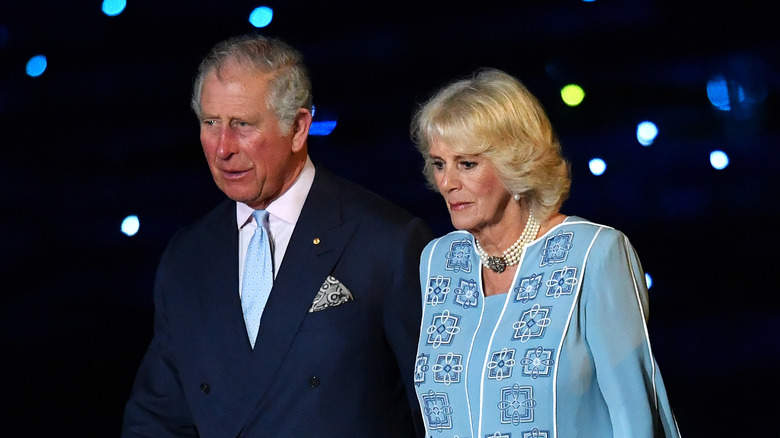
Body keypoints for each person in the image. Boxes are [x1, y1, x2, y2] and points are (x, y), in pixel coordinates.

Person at [122, 34, 432, 437]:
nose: (222, 148)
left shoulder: (388, 243)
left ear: (299, 128)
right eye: (210, 123)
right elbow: (158, 419)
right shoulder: (187, 256)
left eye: (242, 125)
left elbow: (436, 413)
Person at [410, 69, 680, 437]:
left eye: (467, 164)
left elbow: (634, 418)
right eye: (439, 164)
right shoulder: (439, 261)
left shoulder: (594, 254)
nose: (447, 183)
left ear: (516, 163)